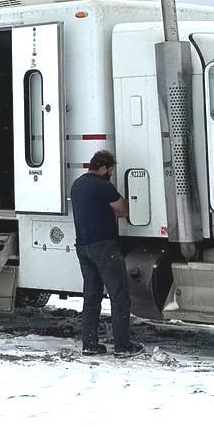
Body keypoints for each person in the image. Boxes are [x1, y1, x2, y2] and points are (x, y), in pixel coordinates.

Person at [69, 150, 138, 355]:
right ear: (105, 168)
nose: (110, 173)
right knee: (119, 296)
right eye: (110, 170)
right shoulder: (103, 185)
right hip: (104, 246)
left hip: (83, 247)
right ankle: (123, 346)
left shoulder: (77, 185)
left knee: (91, 296)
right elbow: (124, 209)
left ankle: (89, 344)